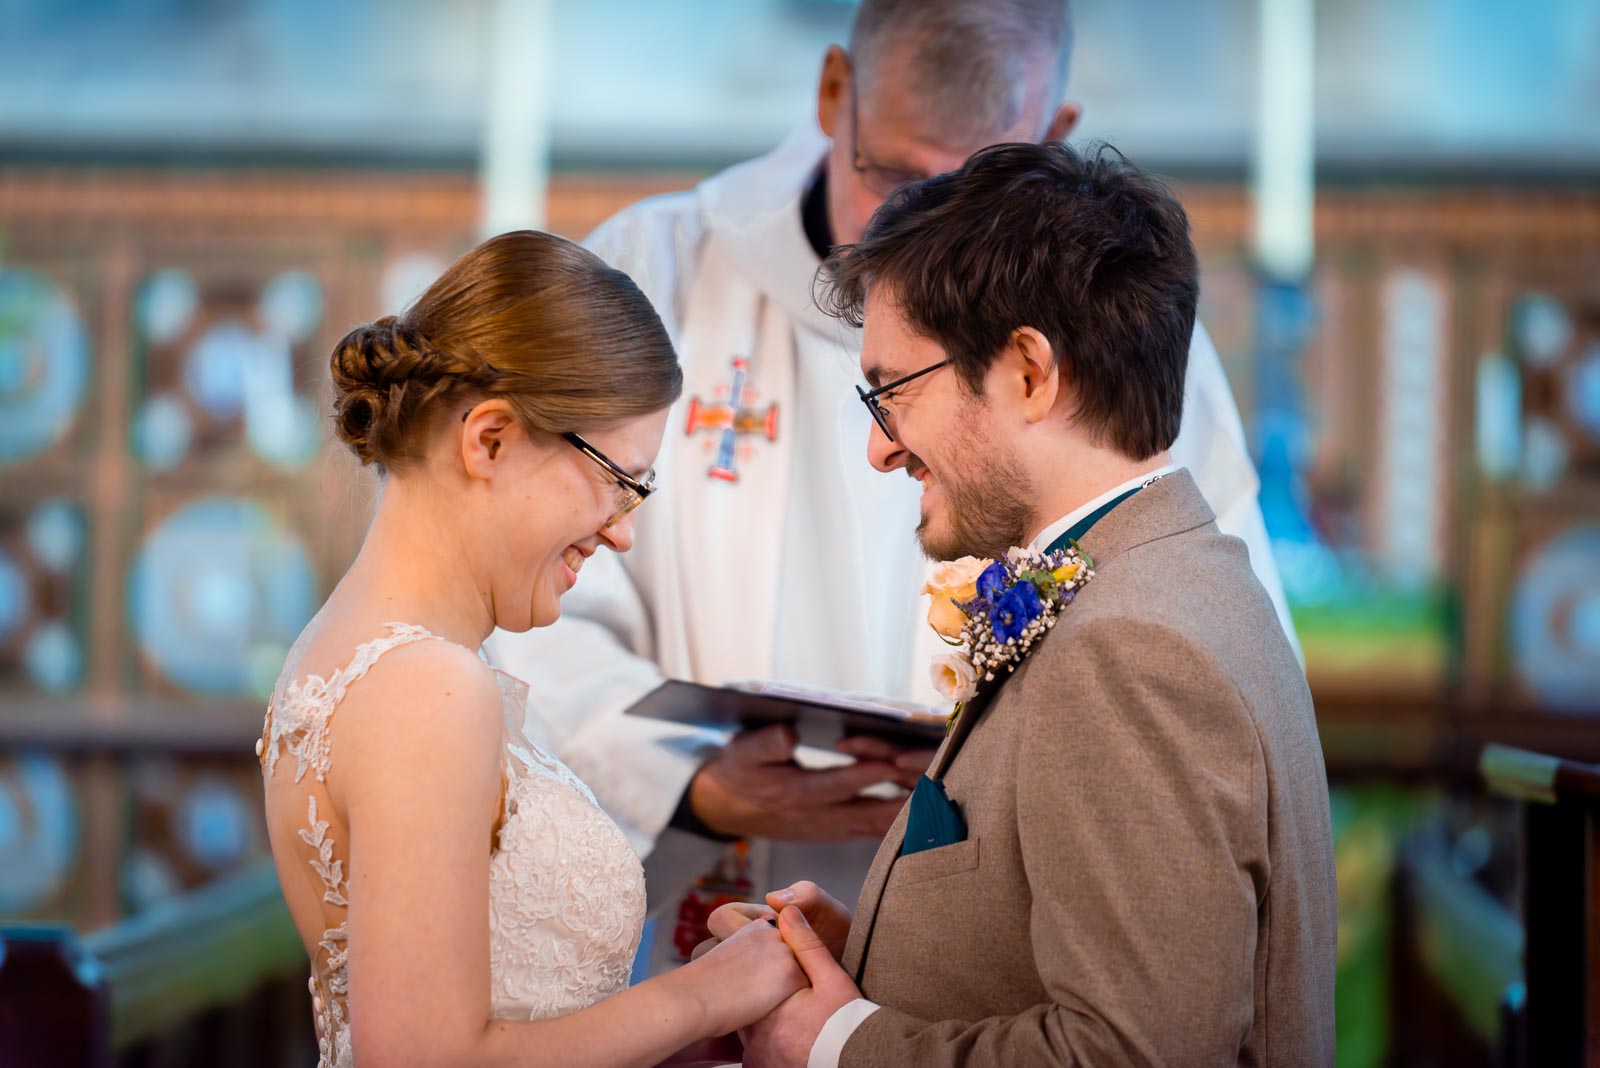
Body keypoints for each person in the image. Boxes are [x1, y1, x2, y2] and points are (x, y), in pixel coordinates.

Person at [486, 0, 1300, 970]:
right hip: (703, 901)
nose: (927, 227)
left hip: (994, 937)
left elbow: (1208, 633)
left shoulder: (1124, 340)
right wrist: (688, 780)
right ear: (835, 95)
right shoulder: (654, 274)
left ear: (1053, 138)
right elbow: (527, 589)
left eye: (973, 185)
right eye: (900, 177)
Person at [727, 141, 1337, 1067]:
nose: (880, 450)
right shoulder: (1172, 573)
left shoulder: (1131, 648)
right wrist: (869, 956)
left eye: (891, 391)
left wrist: (840, 1042)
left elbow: (1135, 1052)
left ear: (1027, 372)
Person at [256, 231, 805, 1068]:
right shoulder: (426, 690)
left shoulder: (366, 652)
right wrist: (704, 995)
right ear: (490, 441)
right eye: (617, 482)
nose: (622, 532)